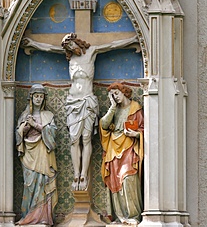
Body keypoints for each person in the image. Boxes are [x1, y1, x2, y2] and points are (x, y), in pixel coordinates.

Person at [21, 33, 138, 191]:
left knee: (86, 138)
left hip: (88, 100)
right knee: (74, 140)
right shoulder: (71, 60)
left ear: (77, 43)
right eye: (67, 47)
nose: (70, 49)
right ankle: (76, 174)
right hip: (73, 102)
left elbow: (112, 44)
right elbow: (49, 47)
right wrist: (33, 44)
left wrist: (132, 40)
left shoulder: (91, 52)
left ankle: (84, 174)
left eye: (71, 45)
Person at [99, 82, 144, 225]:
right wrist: (112, 107)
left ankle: (133, 215)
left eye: (117, 93)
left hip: (129, 148)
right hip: (113, 150)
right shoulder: (114, 110)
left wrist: (136, 135)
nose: (115, 97)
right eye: (112, 95)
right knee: (115, 182)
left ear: (124, 92)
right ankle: (120, 217)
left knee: (128, 180)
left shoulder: (135, 108)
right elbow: (104, 125)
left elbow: (144, 129)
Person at [16, 84, 57, 226]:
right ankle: (28, 216)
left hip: (43, 151)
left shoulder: (48, 115)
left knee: (43, 182)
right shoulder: (24, 115)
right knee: (30, 183)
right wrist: (26, 127)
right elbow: (18, 135)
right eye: (36, 96)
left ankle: (43, 217)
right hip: (29, 153)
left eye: (41, 96)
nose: (38, 99)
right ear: (31, 98)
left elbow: (52, 133)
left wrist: (37, 126)